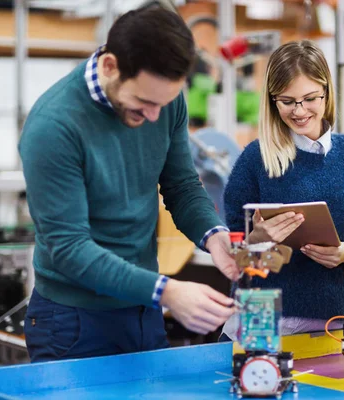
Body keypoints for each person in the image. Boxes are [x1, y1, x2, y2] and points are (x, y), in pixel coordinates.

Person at [19, 6, 238, 363]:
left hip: (142, 310)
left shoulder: (164, 100)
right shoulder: (53, 127)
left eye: (163, 103)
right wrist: (166, 292)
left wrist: (214, 236)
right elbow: (70, 249)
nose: (154, 116)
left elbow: (181, 185)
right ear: (110, 67)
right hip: (72, 322)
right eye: (144, 102)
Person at [221, 40, 344, 340]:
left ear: (326, 92)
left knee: (332, 387)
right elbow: (233, 257)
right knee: (257, 384)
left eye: (310, 98)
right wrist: (258, 241)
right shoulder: (255, 158)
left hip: (337, 319)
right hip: (262, 314)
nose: (299, 111)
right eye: (287, 101)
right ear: (272, 101)